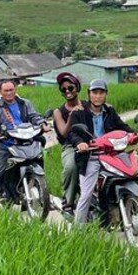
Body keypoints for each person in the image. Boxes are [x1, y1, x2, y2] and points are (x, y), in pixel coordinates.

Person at [68, 79, 138, 226]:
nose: (98, 96)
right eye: (94, 93)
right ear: (89, 94)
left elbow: (121, 126)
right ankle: (77, 231)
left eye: (101, 93)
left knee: (132, 172)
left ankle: (123, 208)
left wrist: (135, 134)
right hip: (90, 156)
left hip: (111, 154)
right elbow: (73, 133)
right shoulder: (80, 113)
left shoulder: (110, 111)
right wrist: (80, 143)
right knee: (86, 193)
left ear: (105, 95)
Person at [0, 79, 48, 203]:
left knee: (39, 155)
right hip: (7, 144)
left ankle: (41, 193)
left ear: (16, 90)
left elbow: (34, 116)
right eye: (6, 91)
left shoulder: (25, 103)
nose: (9, 93)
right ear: (0, 92)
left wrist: (42, 124)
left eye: (11, 90)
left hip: (26, 141)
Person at [52, 72, 85, 216]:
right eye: (63, 89)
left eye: (70, 88)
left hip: (91, 143)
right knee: (71, 167)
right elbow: (64, 133)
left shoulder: (87, 105)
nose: (67, 92)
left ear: (77, 88)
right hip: (70, 146)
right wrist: (72, 116)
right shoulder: (59, 112)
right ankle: (68, 201)